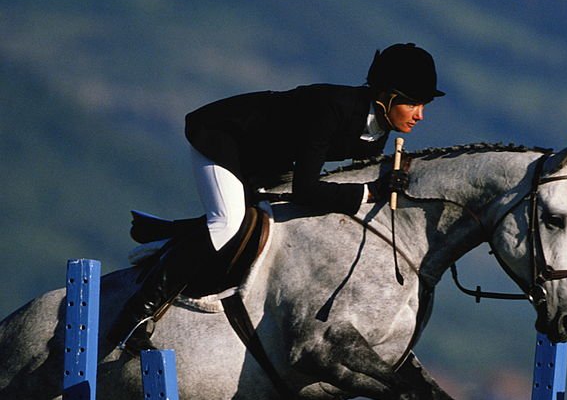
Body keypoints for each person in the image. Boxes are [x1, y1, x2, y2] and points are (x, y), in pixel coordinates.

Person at [110, 43, 444, 350]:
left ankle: (168, 232)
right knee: (228, 222)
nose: (420, 115)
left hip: (268, 160)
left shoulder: (378, 128)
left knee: (269, 219)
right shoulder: (331, 109)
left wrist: (392, 183)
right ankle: (135, 316)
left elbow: (348, 181)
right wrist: (371, 191)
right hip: (224, 139)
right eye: (413, 103)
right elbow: (307, 190)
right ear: (386, 97)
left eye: (423, 105)